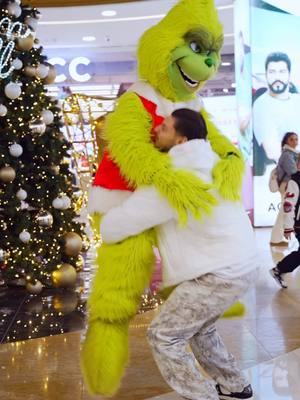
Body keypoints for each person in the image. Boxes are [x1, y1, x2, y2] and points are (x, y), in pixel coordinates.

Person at [100, 108, 259, 400]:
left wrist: (103, 214)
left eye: (165, 127)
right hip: (240, 263)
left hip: (220, 271)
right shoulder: (210, 162)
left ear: (182, 140)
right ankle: (235, 384)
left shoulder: (174, 177)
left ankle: (202, 395)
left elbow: (120, 224)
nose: (157, 130)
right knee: (200, 327)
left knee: (163, 335)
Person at [253, 52, 300, 164]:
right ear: (266, 74)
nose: (277, 77)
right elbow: (272, 151)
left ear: (289, 74)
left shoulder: (297, 100)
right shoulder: (262, 104)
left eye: (282, 72)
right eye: (272, 72)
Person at [270, 153, 300, 288]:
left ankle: (279, 270)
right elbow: (288, 205)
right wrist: (288, 226)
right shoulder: (295, 181)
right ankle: (279, 269)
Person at [270, 132, 298, 246]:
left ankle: (276, 238)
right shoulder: (287, 154)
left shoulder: (292, 153)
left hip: (290, 185)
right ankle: (275, 239)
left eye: (296, 139)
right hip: (287, 185)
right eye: (292, 139)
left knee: (284, 212)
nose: (295, 142)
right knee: (284, 212)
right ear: (286, 141)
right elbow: (293, 171)